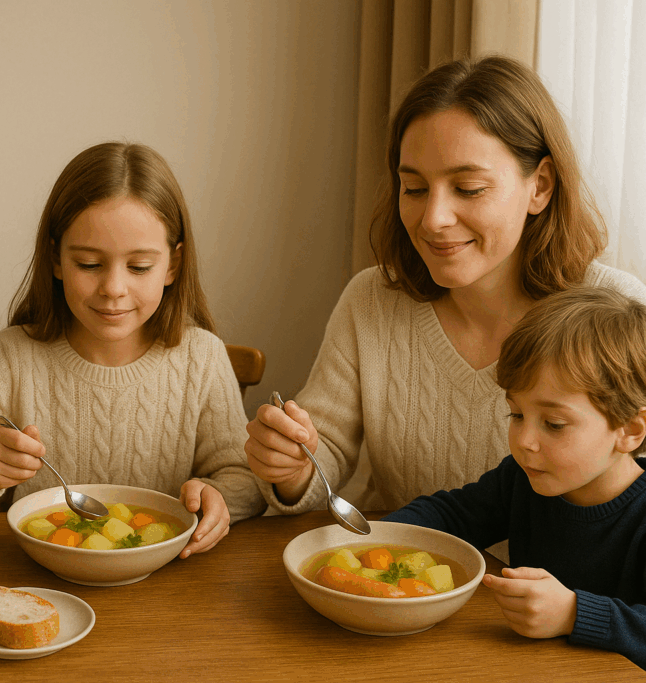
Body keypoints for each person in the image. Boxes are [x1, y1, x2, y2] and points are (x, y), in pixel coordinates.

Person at [244, 55, 646, 515]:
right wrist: (294, 469)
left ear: (540, 186)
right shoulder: (371, 300)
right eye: (413, 189)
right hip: (401, 572)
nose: (433, 220)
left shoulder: (622, 309)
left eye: (469, 188)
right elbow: (326, 454)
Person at [0, 142, 265, 557]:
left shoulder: (202, 358)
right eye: (89, 264)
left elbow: (244, 479)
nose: (113, 288)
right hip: (38, 586)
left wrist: (217, 496)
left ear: (173, 266)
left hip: (170, 590)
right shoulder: (14, 356)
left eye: (139, 267)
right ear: (56, 258)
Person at [383, 286, 646, 668]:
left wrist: (574, 613)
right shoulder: (522, 478)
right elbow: (451, 517)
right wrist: (376, 538)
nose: (524, 442)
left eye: (554, 424)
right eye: (516, 414)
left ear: (630, 430)